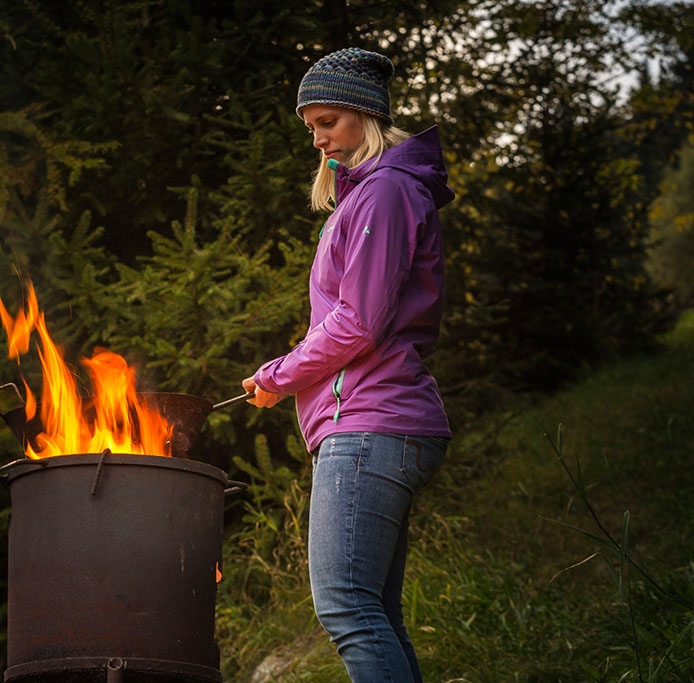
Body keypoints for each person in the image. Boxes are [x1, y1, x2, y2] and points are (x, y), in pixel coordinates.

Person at [241, 47, 454, 683]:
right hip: (374, 423)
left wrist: (278, 376)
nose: (318, 139)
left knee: (347, 608)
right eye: (311, 127)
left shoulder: (385, 192)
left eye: (328, 121)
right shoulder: (368, 196)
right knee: (375, 612)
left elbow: (360, 321)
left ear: (367, 115)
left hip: (369, 425)